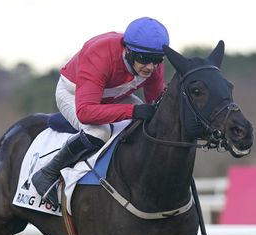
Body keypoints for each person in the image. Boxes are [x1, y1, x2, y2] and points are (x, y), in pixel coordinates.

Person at [32, 17, 170, 207]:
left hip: (113, 95)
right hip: (73, 93)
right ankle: (47, 173)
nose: (150, 67)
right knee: (98, 132)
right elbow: (86, 112)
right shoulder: (100, 54)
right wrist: (132, 110)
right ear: (128, 50)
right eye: (144, 59)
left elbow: (155, 105)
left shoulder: (153, 64)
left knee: (148, 124)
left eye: (157, 60)